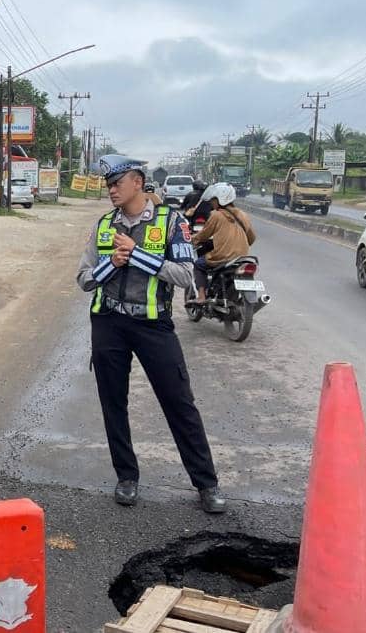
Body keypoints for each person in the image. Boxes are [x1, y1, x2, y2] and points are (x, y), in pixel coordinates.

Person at [76, 155, 226, 515]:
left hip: (154, 325)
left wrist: (138, 255)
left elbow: (188, 276)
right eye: (108, 184)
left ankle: (206, 483)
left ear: (138, 182)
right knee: (114, 403)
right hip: (109, 322)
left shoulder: (171, 222)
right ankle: (126, 477)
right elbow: (83, 280)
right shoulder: (103, 226)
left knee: (179, 402)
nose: (110, 190)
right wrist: (110, 264)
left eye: (116, 183)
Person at [190, 183, 256, 303]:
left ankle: (201, 296)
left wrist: (191, 239)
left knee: (199, 264)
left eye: (213, 200)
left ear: (220, 199)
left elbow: (203, 235)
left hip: (223, 256)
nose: (211, 203)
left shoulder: (216, 215)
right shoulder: (243, 214)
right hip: (243, 257)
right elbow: (251, 239)